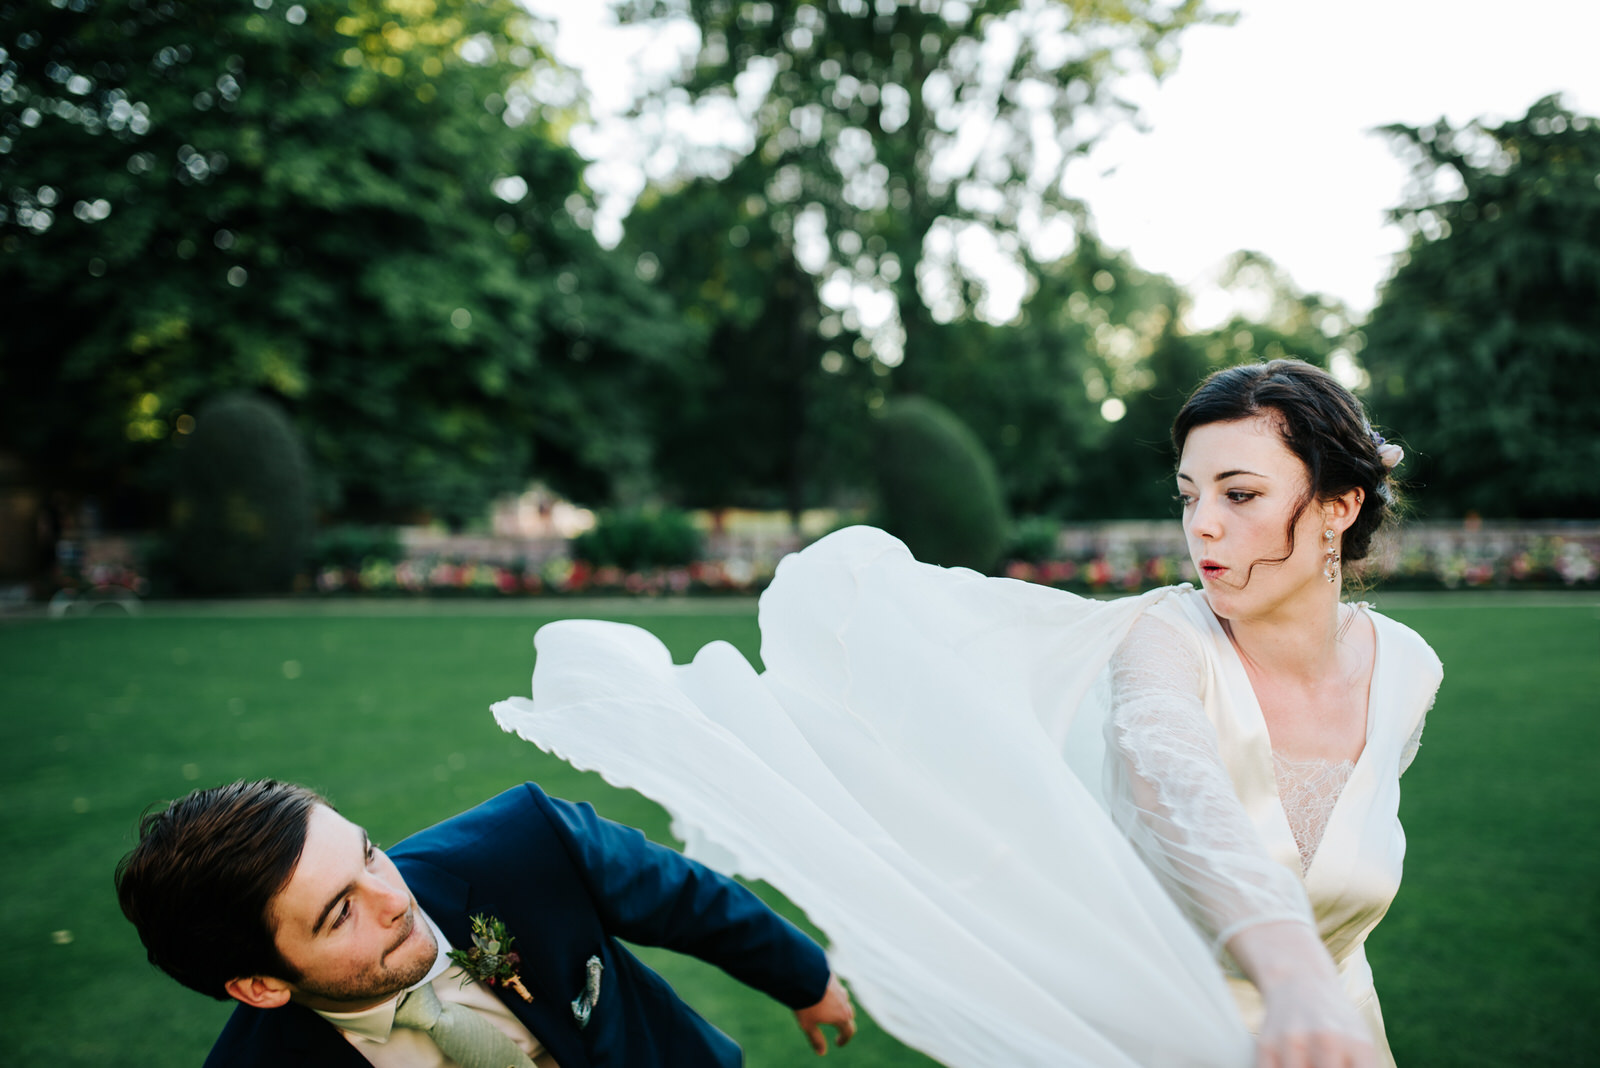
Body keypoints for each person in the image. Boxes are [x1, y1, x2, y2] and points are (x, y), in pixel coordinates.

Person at [494, 358, 1441, 1068]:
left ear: (1336, 508)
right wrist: (1290, 974)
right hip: (1159, 1039)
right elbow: (1186, 804)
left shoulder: (1407, 672)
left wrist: (1322, 999)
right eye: (1190, 495)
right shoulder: (1163, 644)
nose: (1200, 526)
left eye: (1240, 496)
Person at [115, 778, 857, 1067]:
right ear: (259, 984)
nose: (394, 898)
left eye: (370, 854)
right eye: (342, 912)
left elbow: (684, 897)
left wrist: (805, 976)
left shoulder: (525, 840)